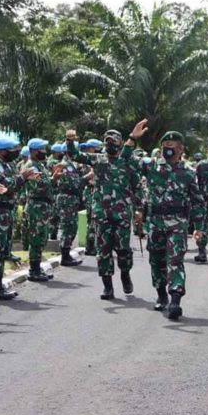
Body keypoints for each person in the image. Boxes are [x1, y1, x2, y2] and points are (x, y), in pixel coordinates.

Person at [125, 125, 206, 320]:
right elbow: (124, 160)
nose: (167, 148)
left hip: (177, 224)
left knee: (175, 260)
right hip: (155, 223)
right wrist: (131, 139)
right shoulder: (151, 166)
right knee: (157, 260)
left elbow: (197, 202)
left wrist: (199, 228)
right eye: (164, 145)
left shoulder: (188, 173)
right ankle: (161, 294)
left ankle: (175, 300)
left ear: (180, 150)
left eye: (171, 145)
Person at [66, 128, 141, 301]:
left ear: (120, 143)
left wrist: (139, 209)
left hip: (122, 214)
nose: (110, 145)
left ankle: (125, 274)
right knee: (103, 251)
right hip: (102, 214)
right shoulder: (99, 160)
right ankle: (108, 287)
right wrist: (70, 141)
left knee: (123, 250)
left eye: (113, 142)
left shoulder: (128, 162)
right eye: (107, 142)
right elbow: (76, 155)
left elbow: (137, 187)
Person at [0, 137, 38, 301]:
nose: (14, 152)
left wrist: (24, 178)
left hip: (6, 212)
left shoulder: (8, 165)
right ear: (1, 150)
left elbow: (14, 184)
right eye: (11, 149)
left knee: (2, 251)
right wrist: (22, 177)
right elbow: (4, 187)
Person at [24, 138, 63, 282]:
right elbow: (38, 186)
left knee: (41, 238)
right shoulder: (31, 166)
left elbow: (45, 183)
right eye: (41, 149)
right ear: (34, 150)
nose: (44, 152)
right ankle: (33, 270)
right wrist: (51, 179)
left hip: (43, 207)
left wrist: (53, 179)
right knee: (36, 238)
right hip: (36, 207)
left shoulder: (39, 165)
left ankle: (37, 266)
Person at [52, 142, 87, 267]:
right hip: (67, 198)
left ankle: (67, 254)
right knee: (67, 227)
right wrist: (87, 177)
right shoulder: (65, 165)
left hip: (71, 199)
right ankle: (65, 256)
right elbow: (74, 183)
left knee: (72, 227)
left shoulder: (72, 164)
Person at [81, 138, 103, 256]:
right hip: (90, 193)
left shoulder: (97, 160)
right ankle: (90, 247)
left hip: (95, 193)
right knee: (92, 221)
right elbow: (89, 180)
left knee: (95, 221)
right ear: (91, 149)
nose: (99, 150)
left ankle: (93, 245)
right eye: (97, 148)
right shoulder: (86, 162)